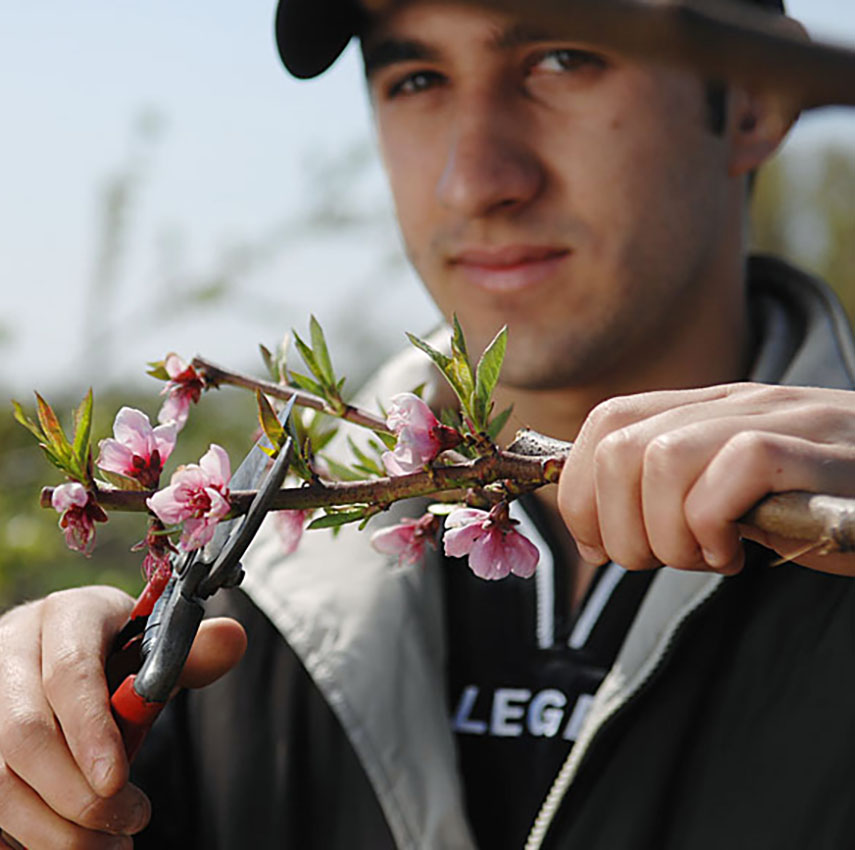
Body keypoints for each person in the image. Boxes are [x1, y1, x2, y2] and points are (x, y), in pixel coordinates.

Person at [2, 0, 855, 847]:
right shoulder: (253, 583)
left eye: (563, 58)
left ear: (751, 96)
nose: (473, 179)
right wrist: (35, 773)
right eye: (416, 78)